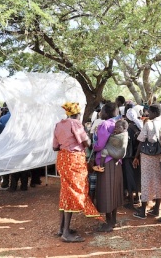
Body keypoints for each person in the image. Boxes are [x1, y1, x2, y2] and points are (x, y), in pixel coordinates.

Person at [53, 102, 99, 242]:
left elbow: (55, 147)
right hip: (74, 160)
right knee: (72, 193)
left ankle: (61, 228)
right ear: (77, 114)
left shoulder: (59, 125)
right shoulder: (76, 123)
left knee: (65, 191)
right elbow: (87, 143)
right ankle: (66, 233)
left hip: (62, 159)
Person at [93, 102, 124, 232]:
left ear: (105, 112)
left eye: (102, 111)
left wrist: (93, 147)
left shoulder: (104, 124)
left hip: (105, 162)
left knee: (106, 191)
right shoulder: (117, 124)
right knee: (115, 190)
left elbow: (100, 144)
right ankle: (114, 220)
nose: (100, 113)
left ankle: (108, 223)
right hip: (117, 161)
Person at [132, 104, 161, 219]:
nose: (147, 114)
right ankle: (156, 209)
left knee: (146, 181)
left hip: (147, 156)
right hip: (160, 155)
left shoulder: (148, 123)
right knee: (158, 180)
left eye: (149, 112)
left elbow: (141, 140)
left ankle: (142, 211)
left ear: (154, 113)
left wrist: (136, 156)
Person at [122, 107, 142, 209]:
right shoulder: (138, 126)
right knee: (136, 176)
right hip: (137, 156)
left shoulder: (128, 128)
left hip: (128, 157)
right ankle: (137, 198)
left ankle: (130, 201)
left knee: (129, 178)